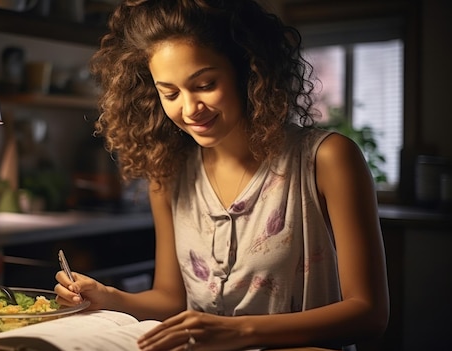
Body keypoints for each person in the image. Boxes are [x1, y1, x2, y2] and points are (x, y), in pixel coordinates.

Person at [54, 1, 389, 350]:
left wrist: (240, 332)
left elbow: (368, 314)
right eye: (170, 93)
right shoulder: (168, 174)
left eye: (205, 84)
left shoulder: (327, 159)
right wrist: (109, 297)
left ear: (247, 71)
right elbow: (170, 299)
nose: (188, 109)